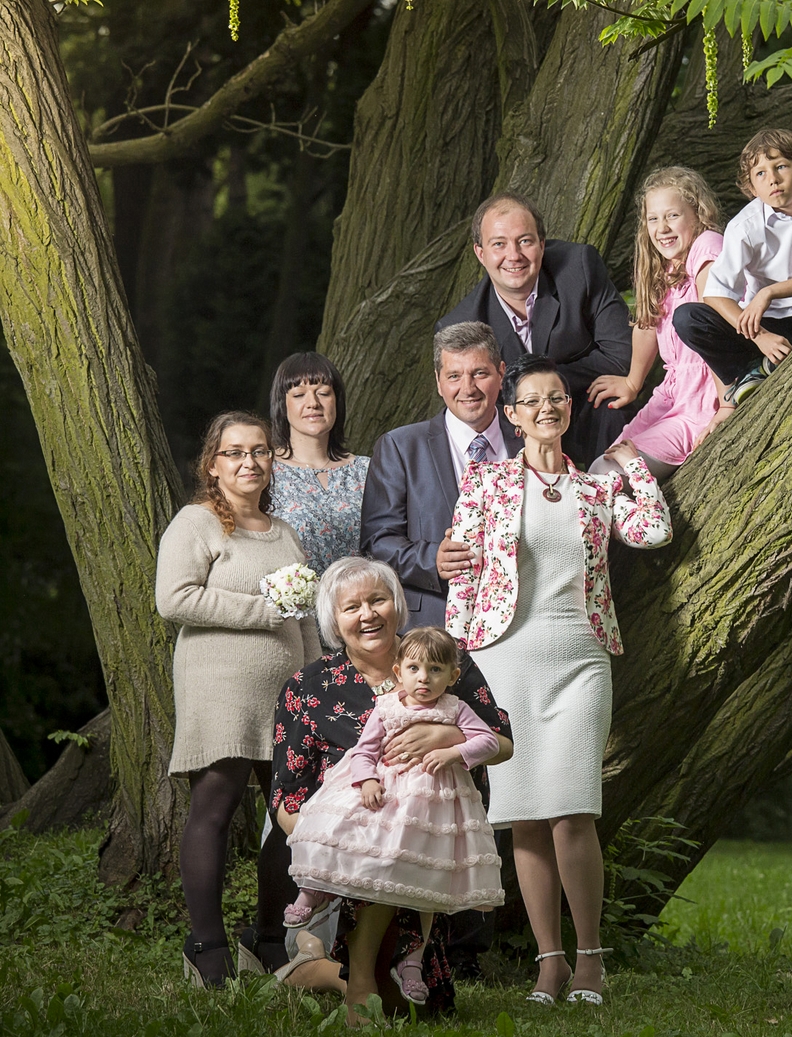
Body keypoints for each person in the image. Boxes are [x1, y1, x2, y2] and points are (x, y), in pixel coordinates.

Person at [445, 357, 671, 1005]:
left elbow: (653, 530)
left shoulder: (596, 489)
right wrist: (463, 666)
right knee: (522, 816)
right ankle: (549, 963)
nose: (547, 407)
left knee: (574, 807)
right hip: (506, 658)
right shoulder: (484, 483)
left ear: (570, 410)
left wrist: (629, 461)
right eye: (532, 400)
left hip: (581, 658)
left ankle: (592, 958)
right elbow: (463, 568)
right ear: (511, 415)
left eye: (558, 398)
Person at [272, 556, 513, 1018]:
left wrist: (449, 736)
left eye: (378, 600)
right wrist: (336, 848)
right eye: (352, 607)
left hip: (427, 838)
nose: (368, 614)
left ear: (397, 605)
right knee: (381, 860)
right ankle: (349, 980)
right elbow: (287, 795)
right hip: (351, 846)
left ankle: (338, 969)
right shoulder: (309, 687)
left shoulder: (439, 655)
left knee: (413, 1007)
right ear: (333, 622)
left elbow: (502, 742)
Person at [155, 411, 321, 987]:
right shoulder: (196, 522)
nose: (248, 462)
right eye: (234, 453)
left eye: (258, 451)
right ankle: (207, 946)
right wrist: (262, 610)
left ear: (271, 460)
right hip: (219, 685)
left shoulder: (284, 532)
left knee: (291, 818)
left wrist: (316, 684)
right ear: (213, 464)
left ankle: (268, 937)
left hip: (286, 695)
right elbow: (174, 599)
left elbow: (303, 618)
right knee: (217, 810)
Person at [436, 192, 633, 467]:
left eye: (524, 241)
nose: (513, 256)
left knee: (613, 402)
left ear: (541, 244)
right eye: (499, 244)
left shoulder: (579, 268)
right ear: (480, 253)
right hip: (519, 439)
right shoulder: (462, 325)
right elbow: (474, 404)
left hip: (593, 415)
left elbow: (620, 356)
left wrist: (535, 389)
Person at [673, 128, 792, 407]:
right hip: (766, 326)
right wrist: (760, 336)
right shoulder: (744, 226)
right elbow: (715, 293)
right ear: (752, 189)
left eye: (781, 166)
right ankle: (754, 368)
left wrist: (767, 293)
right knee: (687, 317)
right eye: (760, 174)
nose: (773, 179)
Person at [360, 321, 520, 629]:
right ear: (438, 382)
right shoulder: (400, 447)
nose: (468, 388)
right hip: (433, 626)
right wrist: (432, 558)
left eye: (480, 373)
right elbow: (376, 542)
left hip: (521, 621)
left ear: (501, 373)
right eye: (454, 376)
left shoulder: (530, 441)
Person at [590, 167, 726, 481]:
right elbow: (647, 322)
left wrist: (727, 405)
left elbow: (716, 328)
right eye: (653, 219)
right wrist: (632, 382)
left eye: (672, 216)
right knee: (605, 462)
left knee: (607, 472)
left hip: (707, 396)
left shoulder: (707, 248)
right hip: (673, 396)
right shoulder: (663, 268)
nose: (662, 228)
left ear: (698, 213)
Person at [269, 351, 370, 577]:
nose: (313, 403)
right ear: (282, 405)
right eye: (299, 395)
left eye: (323, 393)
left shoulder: (368, 471)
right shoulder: (264, 472)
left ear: (337, 401)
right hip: (292, 609)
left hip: (363, 607)